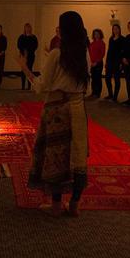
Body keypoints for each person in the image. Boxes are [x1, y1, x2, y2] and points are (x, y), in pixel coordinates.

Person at [17, 11, 89, 217]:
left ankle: (57, 205)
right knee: (77, 155)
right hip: (77, 107)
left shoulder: (57, 54)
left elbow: (43, 85)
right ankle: (75, 204)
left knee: (56, 155)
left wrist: (25, 69)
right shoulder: (84, 52)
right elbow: (87, 86)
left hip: (57, 109)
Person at [104, 24, 123, 101]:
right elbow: (109, 51)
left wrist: (121, 62)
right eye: (114, 29)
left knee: (116, 79)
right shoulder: (111, 38)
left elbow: (123, 52)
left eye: (117, 28)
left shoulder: (122, 39)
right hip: (110, 61)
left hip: (117, 61)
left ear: (119, 29)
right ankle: (110, 94)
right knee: (107, 78)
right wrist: (106, 61)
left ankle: (115, 97)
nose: (115, 30)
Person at [17, 23, 38, 90]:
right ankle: (22, 86)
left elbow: (35, 46)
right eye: (26, 28)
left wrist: (29, 51)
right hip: (23, 55)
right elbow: (19, 45)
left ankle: (29, 86)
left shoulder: (33, 37)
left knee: (29, 70)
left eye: (29, 28)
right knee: (23, 70)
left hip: (31, 55)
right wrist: (23, 51)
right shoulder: (21, 37)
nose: (27, 29)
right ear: (24, 29)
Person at [88, 29, 105, 98]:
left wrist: (96, 62)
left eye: (98, 33)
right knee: (93, 79)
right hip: (92, 64)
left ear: (100, 34)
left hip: (98, 63)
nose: (96, 35)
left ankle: (98, 94)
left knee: (98, 79)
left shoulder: (102, 43)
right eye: (95, 34)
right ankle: (93, 92)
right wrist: (91, 62)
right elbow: (89, 54)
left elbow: (102, 54)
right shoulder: (91, 44)